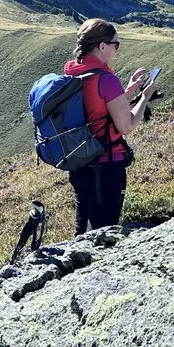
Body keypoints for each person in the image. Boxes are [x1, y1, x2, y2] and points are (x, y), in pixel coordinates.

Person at [62, 18, 156, 234]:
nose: (116, 50)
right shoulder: (106, 79)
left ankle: (76, 265)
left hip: (80, 162)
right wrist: (145, 97)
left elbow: (95, 111)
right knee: (104, 231)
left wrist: (129, 91)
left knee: (83, 228)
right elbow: (126, 126)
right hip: (106, 164)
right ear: (102, 46)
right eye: (116, 44)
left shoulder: (73, 72)